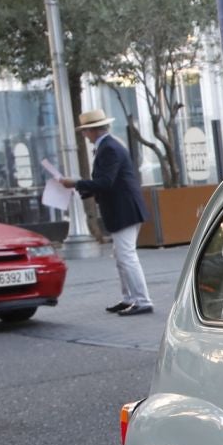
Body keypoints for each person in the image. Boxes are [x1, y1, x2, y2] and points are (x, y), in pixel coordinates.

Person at [72, 108, 153, 315]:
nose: (84, 135)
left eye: (85, 131)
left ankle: (142, 300)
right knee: (121, 255)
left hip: (123, 210)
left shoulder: (108, 148)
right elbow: (109, 182)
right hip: (125, 208)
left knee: (126, 255)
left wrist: (76, 183)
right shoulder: (110, 145)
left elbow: (106, 182)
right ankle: (130, 298)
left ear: (92, 131)